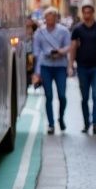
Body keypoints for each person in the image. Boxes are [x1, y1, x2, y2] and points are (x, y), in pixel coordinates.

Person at [70, 0, 96, 134]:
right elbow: (73, 47)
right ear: (82, 13)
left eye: (89, 12)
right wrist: (70, 65)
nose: (87, 15)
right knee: (85, 97)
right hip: (82, 68)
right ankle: (86, 123)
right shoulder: (77, 29)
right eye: (85, 12)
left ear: (93, 13)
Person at [31, 7, 70, 135]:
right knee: (48, 96)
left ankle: (61, 117)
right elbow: (37, 53)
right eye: (48, 16)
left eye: (53, 16)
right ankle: (51, 124)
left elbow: (69, 46)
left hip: (60, 66)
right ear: (45, 18)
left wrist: (61, 52)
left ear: (56, 17)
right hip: (45, 66)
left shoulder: (64, 31)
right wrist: (37, 73)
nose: (50, 19)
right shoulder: (39, 33)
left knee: (62, 96)